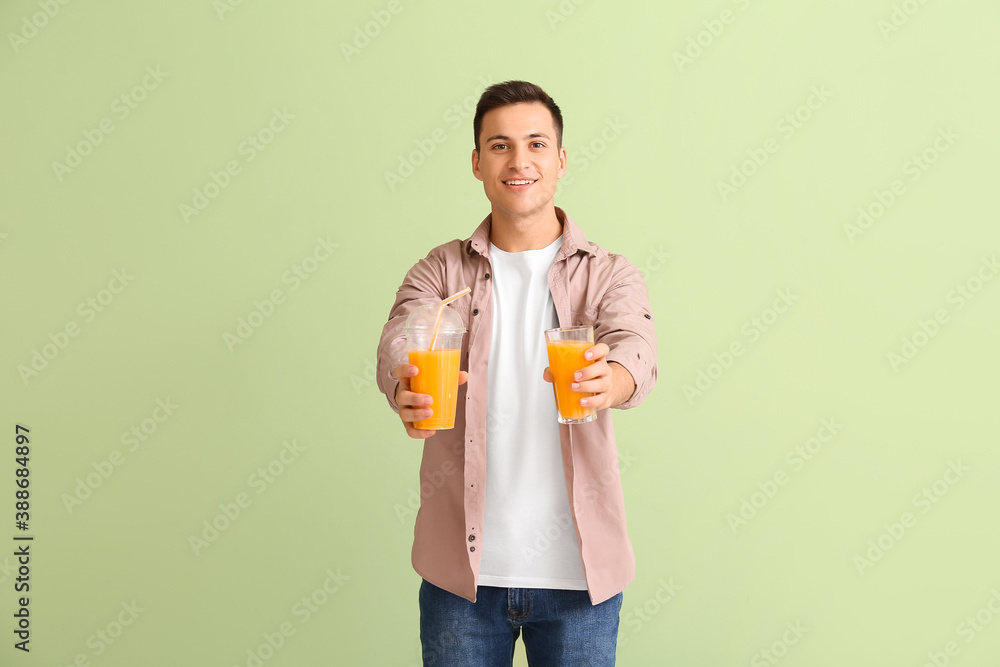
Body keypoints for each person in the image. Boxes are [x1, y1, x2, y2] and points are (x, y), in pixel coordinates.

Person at [376, 80, 657, 666]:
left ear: (560, 158)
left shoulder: (607, 273)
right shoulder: (443, 268)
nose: (519, 160)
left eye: (535, 143)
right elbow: (404, 332)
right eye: (499, 146)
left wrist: (616, 379)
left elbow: (636, 345)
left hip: (581, 579)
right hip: (463, 579)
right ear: (478, 163)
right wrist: (405, 381)